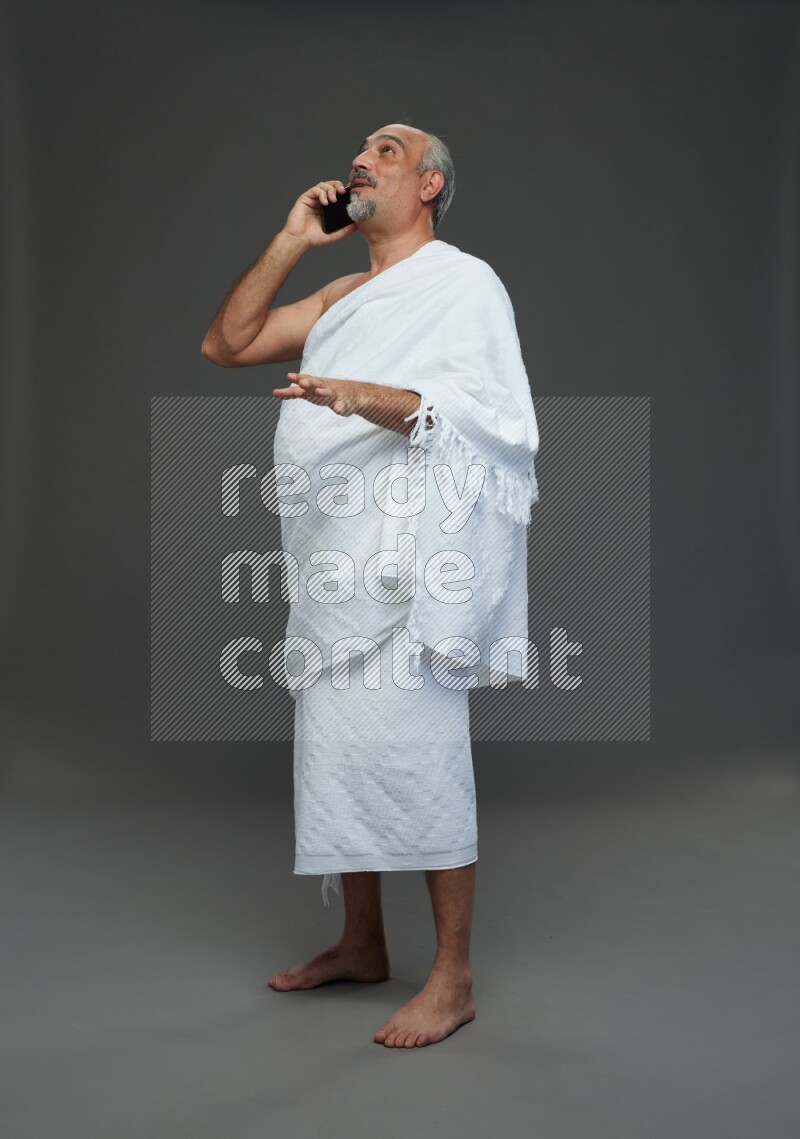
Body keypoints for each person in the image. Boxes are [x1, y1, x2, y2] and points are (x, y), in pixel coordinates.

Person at [201, 123, 539, 1048]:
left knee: (422, 754)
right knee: (340, 750)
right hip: (331, 556)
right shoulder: (346, 289)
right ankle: (361, 942)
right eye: (360, 150)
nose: (364, 158)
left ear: (429, 184)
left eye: (388, 150)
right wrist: (291, 240)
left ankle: (454, 976)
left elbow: (495, 420)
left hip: (415, 560)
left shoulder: (465, 285)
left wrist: (366, 396)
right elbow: (227, 344)